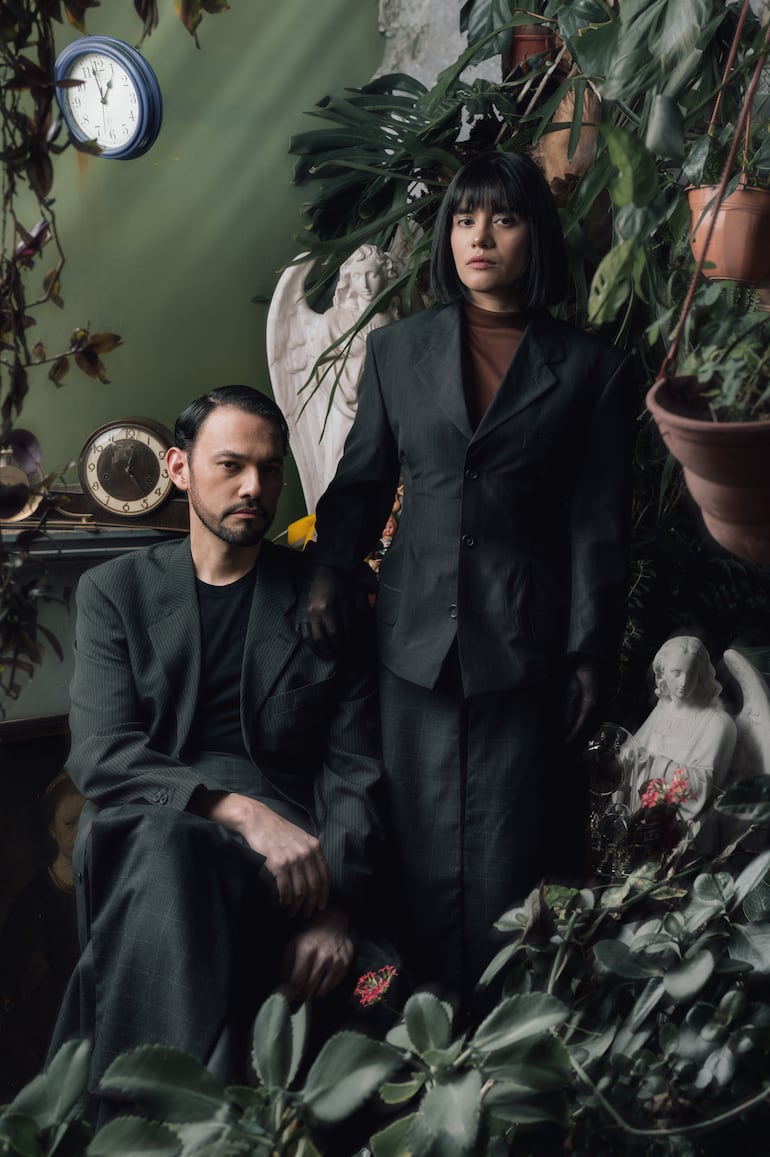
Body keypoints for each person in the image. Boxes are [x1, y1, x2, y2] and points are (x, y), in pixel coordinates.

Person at [296, 150, 635, 1010]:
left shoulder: (591, 369)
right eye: (463, 218)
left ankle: (508, 1036)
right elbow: (362, 482)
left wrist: (591, 652)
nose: (479, 236)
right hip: (411, 642)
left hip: (525, 645)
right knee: (408, 847)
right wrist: (329, 571)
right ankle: (410, 1036)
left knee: (512, 853)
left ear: (535, 237)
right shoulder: (396, 350)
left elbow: (597, 525)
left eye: (504, 219)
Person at [48, 386, 385, 1115]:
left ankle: (117, 1122)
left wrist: (337, 911)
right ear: (179, 467)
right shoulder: (117, 590)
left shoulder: (323, 601)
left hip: (283, 862)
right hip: (149, 823)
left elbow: (354, 773)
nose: (254, 487)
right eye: (231, 464)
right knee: (167, 846)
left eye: (270, 468)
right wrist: (236, 811)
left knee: (166, 873)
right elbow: (101, 750)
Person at [267, 244, 401, 513]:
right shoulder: (334, 321)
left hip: (387, 406)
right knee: (340, 463)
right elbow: (323, 371)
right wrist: (357, 380)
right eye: (358, 276)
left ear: (385, 274)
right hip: (344, 406)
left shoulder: (392, 317)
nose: (365, 284)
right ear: (349, 279)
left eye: (372, 275)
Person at [0, 774, 84, 1097]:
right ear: (51, 830)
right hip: (45, 1038)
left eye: (86, 821)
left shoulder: (105, 884)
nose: (79, 833)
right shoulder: (33, 900)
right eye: (69, 823)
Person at [632, 636, 737, 826]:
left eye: (692, 673)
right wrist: (627, 757)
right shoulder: (663, 709)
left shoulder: (718, 723)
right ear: (663, 673)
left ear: (702, 674)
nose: (684, 682)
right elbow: (631, 752)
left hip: (676, 827)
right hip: (639, 814)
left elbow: (703, 787)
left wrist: (657, 764)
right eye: (676, 673)